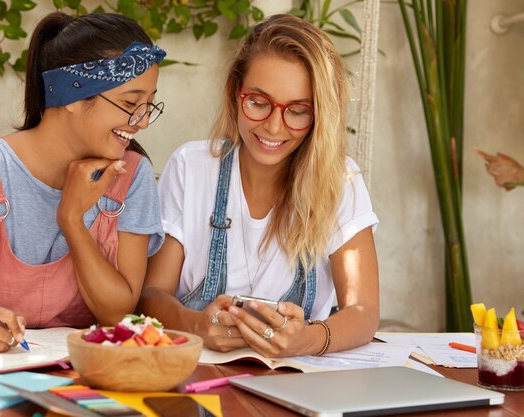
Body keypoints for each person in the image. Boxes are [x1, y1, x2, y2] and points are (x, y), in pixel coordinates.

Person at [0, 12, 166, 353]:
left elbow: (117, 313)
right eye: (130, 103)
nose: (141, 122)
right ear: (72, 95)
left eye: (148, 104)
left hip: (74, 381)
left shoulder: (131, 176)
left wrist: (72, 220)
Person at [138, 14, 379, 358]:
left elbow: (364, 312)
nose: (274, 126)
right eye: (259, 102)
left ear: (320, 116)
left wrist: (305, 340)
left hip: (293, 382)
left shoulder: (340, 182)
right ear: (236, 94)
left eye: (297, 110)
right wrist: (196, 326)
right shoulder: (191, 167)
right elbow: (151, 294)